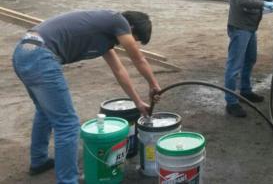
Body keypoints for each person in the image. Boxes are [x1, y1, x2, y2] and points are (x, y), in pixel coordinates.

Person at [12, 10, 162, 183]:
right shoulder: (118, 20)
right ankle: (67, 180)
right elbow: (139, 59)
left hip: (24, 52)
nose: (130, 43)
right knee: (67, 124)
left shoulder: (105, 36)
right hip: (40, 56)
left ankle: (39, 161)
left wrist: (138, 103)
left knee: (45, 112)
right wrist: (153, 84)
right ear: (131, 28)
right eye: (134, 39)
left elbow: (120, 71)